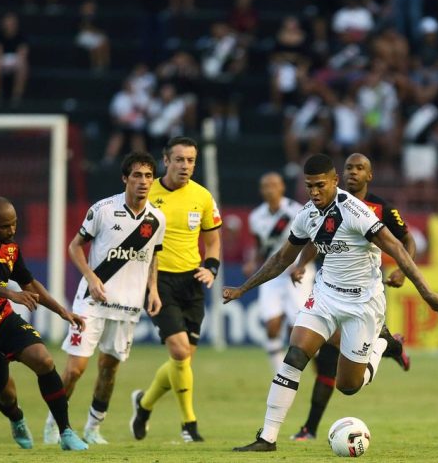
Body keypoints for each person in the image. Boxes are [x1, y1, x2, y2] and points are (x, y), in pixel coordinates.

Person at [224, 153, 438, 452]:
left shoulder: (356, 211)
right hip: (325, 296)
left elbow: (398, 248)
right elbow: (282, 258)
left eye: (320, 185)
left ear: (335, 181)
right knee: (294, 356)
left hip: (363, 303)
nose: (314, 192)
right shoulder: (307, 214)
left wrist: (427, 293)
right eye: (309, 186)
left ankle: (384, 343)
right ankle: (267, 438)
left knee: (348, 386)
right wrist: (243, 289)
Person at [288, 152, 414, 442]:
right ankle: (310, 428)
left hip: (363, 296)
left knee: (338, 365)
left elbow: (406, 240)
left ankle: (388, 344)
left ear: (370, 175)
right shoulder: (328, 204)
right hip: (330, 291)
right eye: (349, 167)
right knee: (326, 361)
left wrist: (402, 272)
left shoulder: (381, 208)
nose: (353, 172)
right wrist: (302, 263)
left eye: (360, 168)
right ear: (340, 175)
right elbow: (314, 238)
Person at [0, 197, 88, 451]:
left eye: (14, 224)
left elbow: (29, 284)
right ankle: (17, 418)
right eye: (4, 226)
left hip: (2, 320)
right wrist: (11, 294)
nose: (11, 230)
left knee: (44, 360)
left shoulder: (11, 248)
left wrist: (61, 311)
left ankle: (66, 432)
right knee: (6, 394)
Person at [43, 152, 165, 444]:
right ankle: (54, 424)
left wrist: (154, 289)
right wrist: (91, 277)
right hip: (92, 303)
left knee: (109, 369)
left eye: (148, 176)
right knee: (75, 369)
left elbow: (153, 257)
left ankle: (93, 428)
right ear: (125, 178)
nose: (143, 181)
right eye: (137, 175)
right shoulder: (103, 209)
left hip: (127, 307)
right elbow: (75, 247)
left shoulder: (157, 219)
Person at [130, 136, 222, 443]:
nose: (185, 166)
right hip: (157, 281)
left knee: (182, 361)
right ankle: (189, 424)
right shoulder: (147, 192)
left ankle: (144, 404)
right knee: (180, 352)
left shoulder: (203, 196)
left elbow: (213, 240)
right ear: (166, 160)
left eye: (191, 160)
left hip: (191, 282)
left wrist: (211, 268)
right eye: (179, 159)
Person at [244, 172, 313, 372]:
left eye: (274, 185)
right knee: (271, 326)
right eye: (266, 186)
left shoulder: (296, 211)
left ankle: (318, 365)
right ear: (261, 190)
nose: (270, 189)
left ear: (282, 187)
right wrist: (252, 262)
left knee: (297, 328)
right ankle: (279, 374)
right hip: (272, 274)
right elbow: (260, 246)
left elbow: (312, 242)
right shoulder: (256, 216)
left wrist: (300, 264)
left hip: (296, 273)